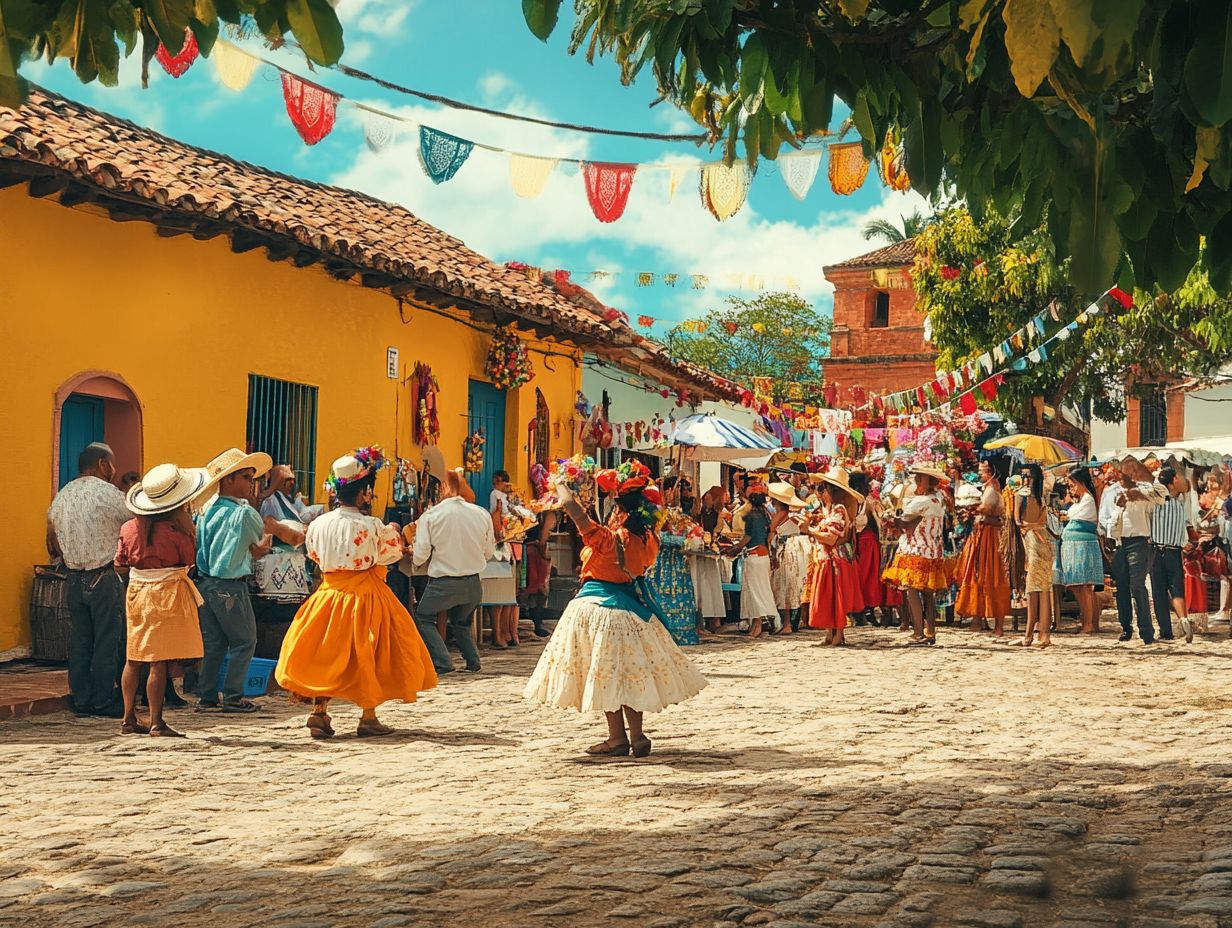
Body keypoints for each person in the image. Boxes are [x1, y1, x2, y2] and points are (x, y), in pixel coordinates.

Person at [523, 461, 707, 757]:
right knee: (629, 673)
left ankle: (616, 737)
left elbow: (571, 507)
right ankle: (636, 734)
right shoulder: (650, 540)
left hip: (596, 607)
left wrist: (557, 481)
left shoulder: (608, 539)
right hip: (631, 611)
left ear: (620, 511)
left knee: (607, 673)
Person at [275, 448, 437, 738]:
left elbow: (313, 554)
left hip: (329, 593)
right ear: (364, 493)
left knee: (327, 653)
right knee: (368, 653)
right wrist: (395, 529)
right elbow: (390, 554)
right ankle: (368, 715)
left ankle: (319, 711)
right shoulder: (371, 525)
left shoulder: (317, 525)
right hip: (365, 596)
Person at [114, 464, 210, 737]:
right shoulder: (177, 530)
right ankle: (156, 721)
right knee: (159, 660)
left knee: (134, 657)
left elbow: (120, 562)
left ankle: (128, 717)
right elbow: (189, 560)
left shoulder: (128, 528)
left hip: (136, 592)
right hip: (168, 592)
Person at [47, 442, 130, 718]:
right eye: (112, 463)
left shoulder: (61, 496)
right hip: (103, 577)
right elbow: (133, 521)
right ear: (102, 464)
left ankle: (81, 699)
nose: (114, 469)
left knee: (81, 641)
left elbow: (52, 540)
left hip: (73, 579)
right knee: (107, 641)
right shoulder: (109, 494)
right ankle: (104, 700)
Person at [194, 448, 273, 711]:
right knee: (244, 640)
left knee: (214, 642)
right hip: (230, 584)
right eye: (247, 477)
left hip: (205, 583)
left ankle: (206, 695)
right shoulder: (244, 513)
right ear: (228, 479)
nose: (252, 483)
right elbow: (257, 542)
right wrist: (260, 549)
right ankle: (233, 695)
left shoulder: (205, 512)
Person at [413, 469, 494, 674]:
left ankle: (443, 662)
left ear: (442, 488)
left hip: (443, 583)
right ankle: (473, 661)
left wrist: (414, 558)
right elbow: (488, 551)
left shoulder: (431, 516)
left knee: (423, 617)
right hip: (473, 583)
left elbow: (421, 553)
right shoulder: (481, 513)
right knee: (461, 621)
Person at [882, 464, 950, 645]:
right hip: (933, 550)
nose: (918, 481)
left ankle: (919, 632)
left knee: (912, 591)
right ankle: (931, 631)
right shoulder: (939, 498)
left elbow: (904, 521)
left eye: (921, 478)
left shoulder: (921, 502)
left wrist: (893, 518)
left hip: (916, 549)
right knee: (928, 593)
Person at [1100, 458, 1164, 644]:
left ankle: (1146, 630)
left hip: (1139, 541)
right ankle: (1126, 627)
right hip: (1120, 542)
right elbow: (1104, 516)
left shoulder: (1143, 490)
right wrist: (1109, 531)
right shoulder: (1110, 492)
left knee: (1137, 585)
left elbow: (1160, 497)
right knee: (1122, 588)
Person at [954, 459, 1011, 636]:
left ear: (993, 472)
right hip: (981, 534)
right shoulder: (987, 488)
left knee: (990, 575)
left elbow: (985, 509)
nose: (980, 473)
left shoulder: (993, 489)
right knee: (977, 575)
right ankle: (978, 617)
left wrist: (971, 510)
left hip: (989, 538)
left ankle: (998, 624)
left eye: (984, 470)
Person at [807, 468, 861, 646]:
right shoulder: (826, 511)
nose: (818, 493)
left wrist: (809, 531)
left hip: (835, 559)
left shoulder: (839, 510)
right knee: (827, 597)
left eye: (822, 489)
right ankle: (830, 633)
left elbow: (831, 538)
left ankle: (838, 634)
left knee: (836, 596)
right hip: (825, 558)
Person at [649, 477, 699, 646]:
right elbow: (655, 535)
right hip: (661, 561)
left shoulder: (683, 514)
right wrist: (679, 540)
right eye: (677, 489)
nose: (679, 493)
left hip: (677, 561)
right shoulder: (655, 512)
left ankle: (681, 632)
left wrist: (691, 539)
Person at [1150, 466, 1195, 643]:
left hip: (1156, 550)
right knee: (1177, 589)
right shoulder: (1179, 504)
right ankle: (1183, 618)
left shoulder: (1156, 503)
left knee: (1159, 592)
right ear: (1172, 481)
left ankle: (1165, 631)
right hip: (1175, 552)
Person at [1012, 463, 1055, 649]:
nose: (1026, 479)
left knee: (1037, 588)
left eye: (1029, 476)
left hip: (1036, 541)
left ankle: (1035, 634)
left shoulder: (1026, 495)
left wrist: (1029, 526)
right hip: (1038, 539)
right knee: (1042, 588)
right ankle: (1036, 633)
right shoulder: (1034, 495)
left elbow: (1018, 520)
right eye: (1024, 476)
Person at [729, 483, 777, 638]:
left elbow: (747, 537)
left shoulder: (751, 516)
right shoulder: (766, 515)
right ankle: (765, 623)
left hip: (754, 556)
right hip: (764, 556)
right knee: (763, 589)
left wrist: (734, 549)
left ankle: (757, 625)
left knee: (754, 591)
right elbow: (770, 535)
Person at [1059, 467, 1104, 634]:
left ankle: (1089, 623)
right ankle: (1088, 620)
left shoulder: (1088, 500)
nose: (1072, 488)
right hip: (1073, 546)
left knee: (1085, 586)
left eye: (1073, 485)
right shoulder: (1081, 500)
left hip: (1082, 546)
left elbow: (1077, 519)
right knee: (1078, 586)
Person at [486, 470, 522, 648]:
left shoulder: (509, 498)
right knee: (500, 593)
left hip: (509, 546)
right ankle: (501, 633)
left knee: (508, 594)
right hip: (501, 546)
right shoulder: (495, 496)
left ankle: (507, 632)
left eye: (499, 481)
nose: (496, 484)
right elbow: (495, 516)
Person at [768, 481, 810, 634]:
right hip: (795, 551)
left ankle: (787, 623)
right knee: (793, 587)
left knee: (785, 587)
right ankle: (795, 621)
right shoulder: (794, 515)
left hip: (786, 552)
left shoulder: (780, 514)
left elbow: (771, 532)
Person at [848, 471, 885, 628]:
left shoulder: (867, 502)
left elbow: (876, 526)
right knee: (860, 578)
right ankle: (860, 610)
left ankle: (867, 609)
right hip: (859, 544)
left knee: (867, 578)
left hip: (867, 544)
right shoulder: (853, 501)